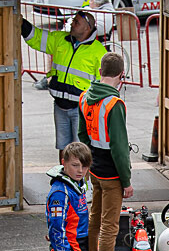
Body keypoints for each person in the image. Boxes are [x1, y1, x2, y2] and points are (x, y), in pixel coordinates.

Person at [78, 52, 133, 251]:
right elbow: (120, 148)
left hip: (94, 170)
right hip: (112, 174)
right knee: (110, 227)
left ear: (100, 71)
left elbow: (82, 137)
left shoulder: (84, 98)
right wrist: (127, 180)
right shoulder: (114, 104)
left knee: (94, 218)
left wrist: (88, 165)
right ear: (121, 75)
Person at [22, 11, 106, 159]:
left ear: (87, 28)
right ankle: (65, 179)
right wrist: (21, 23)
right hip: (60, 106)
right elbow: (37, 37)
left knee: (81, 151)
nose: (72, 24)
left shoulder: (99, 52)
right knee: (63, 148)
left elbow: (103, 85)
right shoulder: (61, 39)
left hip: (81, 110)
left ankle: (80, 181)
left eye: (76, 22)